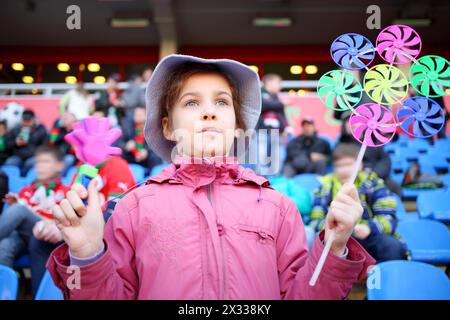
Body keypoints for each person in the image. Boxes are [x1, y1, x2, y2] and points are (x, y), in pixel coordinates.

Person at [47, 55, 374, 300]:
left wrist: (335, 248)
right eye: (191, 103)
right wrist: (88, 255)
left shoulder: (278, 208)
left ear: (237, 125)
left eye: (221, 101)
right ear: (167, 127)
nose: (209, 111)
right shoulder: (133, 208)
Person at [309, 143, 406, 263]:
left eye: (349, 164)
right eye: (339, 165)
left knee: (391, 245)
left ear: (360, 164)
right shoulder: (324, 187)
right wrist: (330, 227)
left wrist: (369, 228)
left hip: (369, 236)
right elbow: (314, 221)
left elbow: (389, 218)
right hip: (338, 239)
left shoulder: (373, 183)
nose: (344, 170)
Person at [0, 145, 70, 294]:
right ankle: (5, 293)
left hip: (48, 238)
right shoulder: (27, 190)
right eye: (37, 162)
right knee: (4, 246)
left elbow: (59, 225)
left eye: (45, 161)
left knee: (19, 210)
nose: (39, 166)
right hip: (23, 236)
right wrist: (18, 205)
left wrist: (23, 210)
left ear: (59, 165)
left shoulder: (66, 192)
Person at [337, 111, 402, 195]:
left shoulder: (373, 141)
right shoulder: (341, 144)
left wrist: (375, 174)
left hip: (375, 176)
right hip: (353, 179)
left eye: (355, 120)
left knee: (393, 187)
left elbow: (385, 160)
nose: (352, 124)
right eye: (347, 121)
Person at [254, 73, 290, 175]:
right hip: (262, 132)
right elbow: (263, 105)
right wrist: (282, 104)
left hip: (277, 133)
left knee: (276, 160)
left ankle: (275, 183)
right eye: (278, 83)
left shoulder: (276, 97)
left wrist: (285, 128)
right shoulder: (259, 93)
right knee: (261, 159)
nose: (280, 86)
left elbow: (281, 115)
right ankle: (260, 182)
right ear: (269, 82)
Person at [5, 110, 48, 175]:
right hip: (18, 156)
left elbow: (45, 146)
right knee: (10, 162)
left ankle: (24, 178)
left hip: (33, 156)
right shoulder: (15, 129)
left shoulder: (41, 130)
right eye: (24, 120)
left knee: (31, 163)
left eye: (28, 120)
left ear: (33, 119)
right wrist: (16, 143)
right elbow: (7, 144)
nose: (26, 123)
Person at [121, 106, 162, 173]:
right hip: (133, 156)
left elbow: (157, 144)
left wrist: (146, 151)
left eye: (141, 115)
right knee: (121, 155)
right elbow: (119, 142)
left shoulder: (153, 127)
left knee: (155, 156)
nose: (139, 117)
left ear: (146, 116)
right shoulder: (128, 127)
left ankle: (153, 175)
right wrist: (126, 146)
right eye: (137, 115)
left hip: (147, 158)